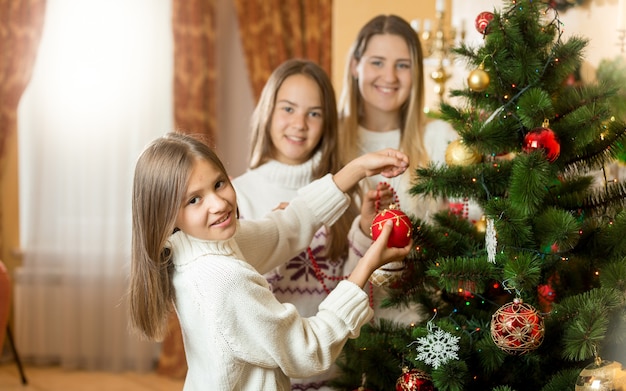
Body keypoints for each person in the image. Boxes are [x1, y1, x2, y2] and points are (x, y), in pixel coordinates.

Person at [128, 131, 412, 391]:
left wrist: (358, 169)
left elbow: (283, 230)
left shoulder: (196, 247)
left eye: (219, 183)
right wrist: (366, 266)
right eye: (194, 200)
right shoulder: (225, 280)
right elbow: (307, 350)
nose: (218, 204)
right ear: (167, 214)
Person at [232, 58, 396, 390]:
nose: (300, 124)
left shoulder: (343, 191)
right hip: (269, 377)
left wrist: (365, 232)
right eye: (288, 109)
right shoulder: (237, 194)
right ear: (268, 110)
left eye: (314, 113)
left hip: (337, 374)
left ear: (327, 123)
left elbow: (357, 284)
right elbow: (238, 300)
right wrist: (279, 233)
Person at [337, 14, 463, 324]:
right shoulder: (330, 141)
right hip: (345, 335)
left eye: (402, 65)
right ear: (355, 66)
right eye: (377, 62)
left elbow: (469, 222)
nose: (390, 76)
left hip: (426, 328)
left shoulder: (440, 139)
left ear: (417, 73)